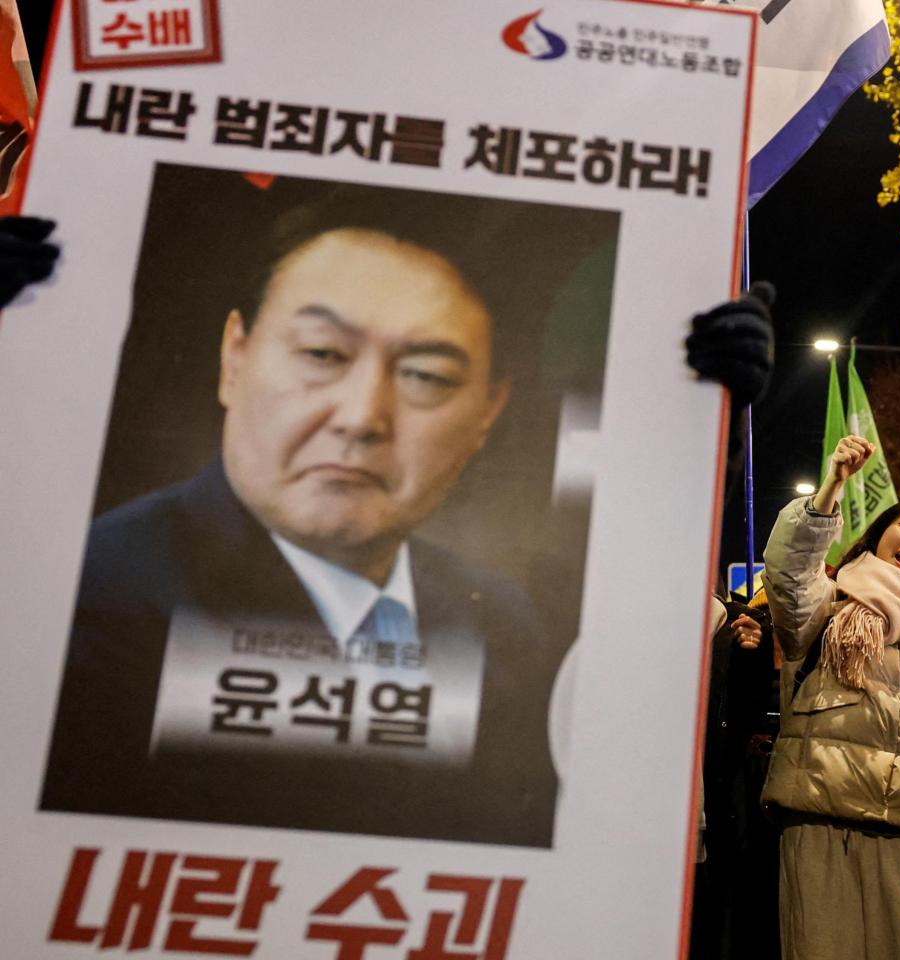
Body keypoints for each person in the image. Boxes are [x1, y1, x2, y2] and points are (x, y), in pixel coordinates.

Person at [37, 186, 775, 846]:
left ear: (488, 413)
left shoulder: (508, 628)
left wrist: (699, 422)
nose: (361, 418)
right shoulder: (73, 601)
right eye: (322, 353)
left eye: (425, 375)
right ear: (234, 357)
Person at [761, 435, 900, 960]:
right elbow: (791, 575)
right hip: (820, 822)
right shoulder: (827, 603)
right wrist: (832, 486)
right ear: (881, 534)